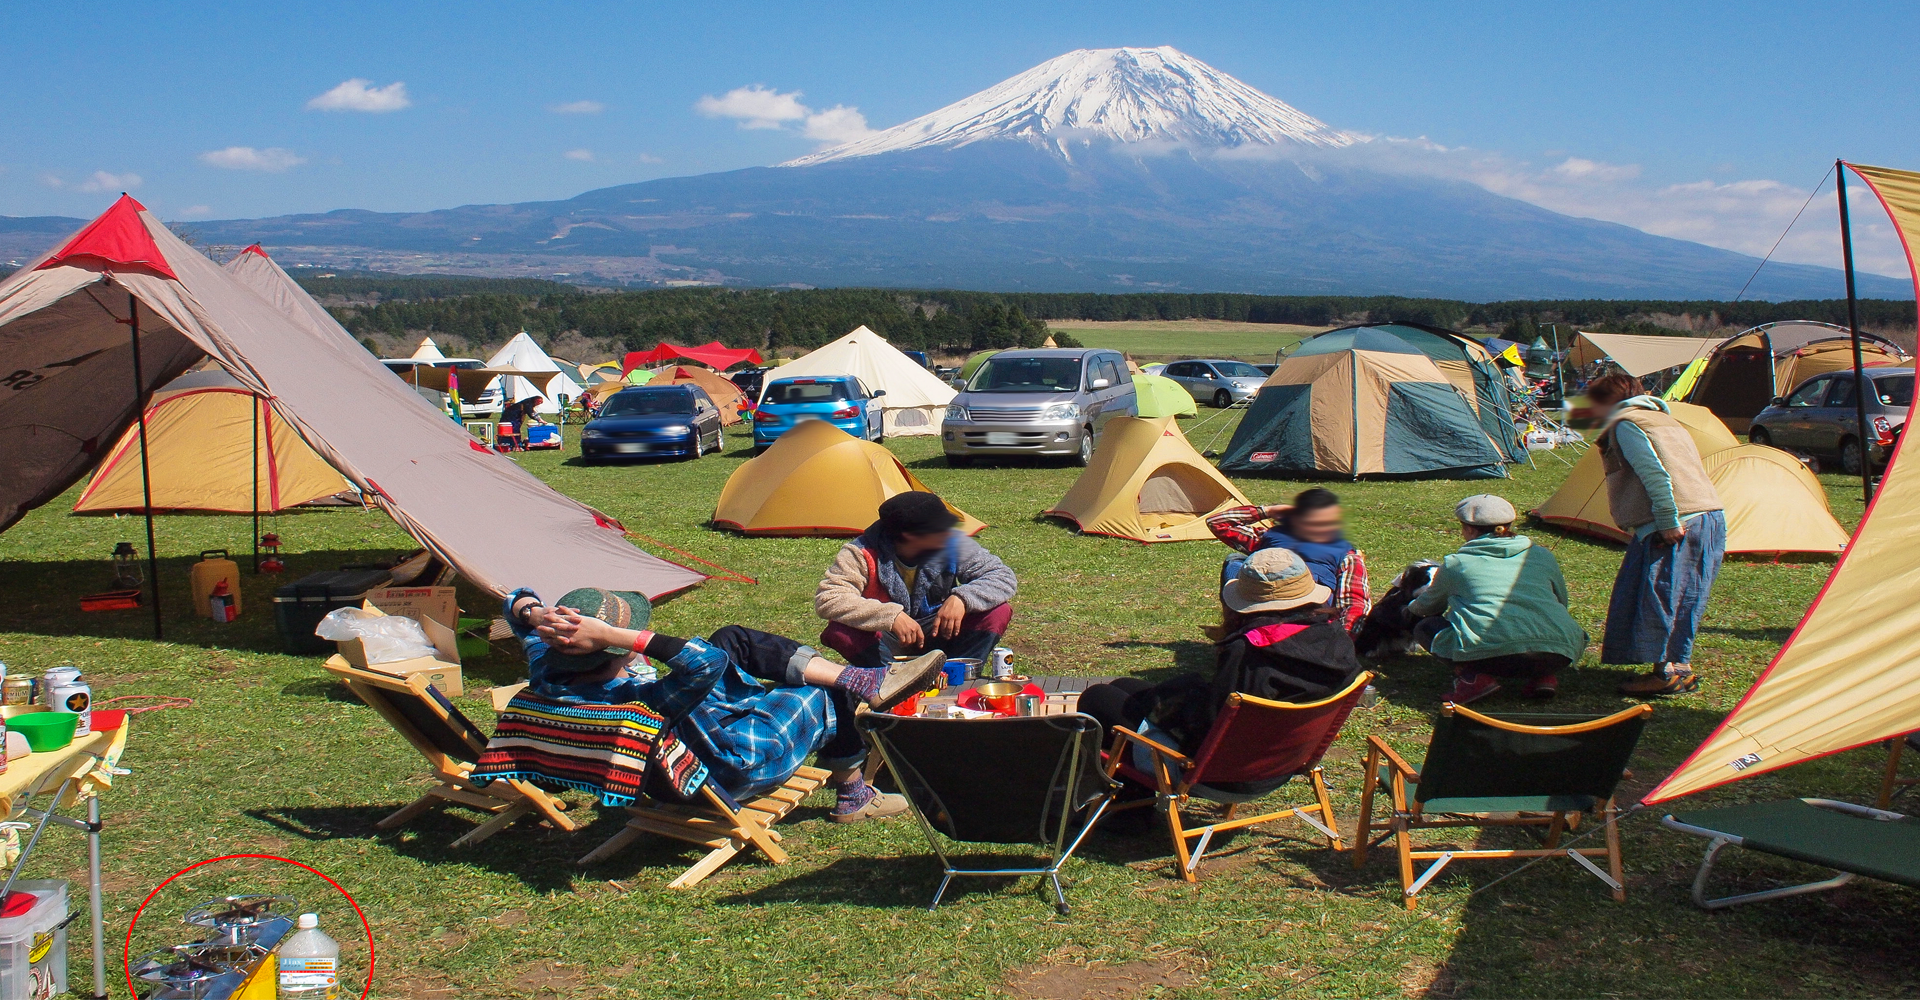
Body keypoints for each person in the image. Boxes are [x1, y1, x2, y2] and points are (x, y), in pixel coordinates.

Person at [505, 586, 946, 823]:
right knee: (825, 692)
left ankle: (862, 678)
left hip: (678, 750)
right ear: (612, 648)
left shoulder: (547, 668)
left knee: (731, 637)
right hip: (726, 769)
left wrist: (533, 613)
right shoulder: (641, 700)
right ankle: (853, 795)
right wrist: (616, 634)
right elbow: (706, 665)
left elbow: (515, 604)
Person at [1077, 548, 1363, 793]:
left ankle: (1131, 806)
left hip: (1221, 774)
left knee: (1097, 698)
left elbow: (1211, 724)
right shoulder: (1336, 638)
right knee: (1127, 687)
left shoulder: (1250, 650)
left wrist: (1176, 701)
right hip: (1282, 762)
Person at [1586, 373, 1727, 696]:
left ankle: (1664, 673)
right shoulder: (1664, 419)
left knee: (1660, 596)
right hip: (1708, 514)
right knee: (1687, 597)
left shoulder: (1627, 423)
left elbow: (1655, 473)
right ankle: (1680, 667)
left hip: (1676, 520)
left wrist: (1666, 520)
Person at [1405, 495, 1589, 704]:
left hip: (1495, 656)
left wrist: (1410, 605)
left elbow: (1427, 606)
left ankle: (1473, 678)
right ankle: (1543, 677)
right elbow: (1561, 601)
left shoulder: (1457, 563)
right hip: (1560, 653)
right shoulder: (1542, 555)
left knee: (1426, 627)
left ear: (1471, 530)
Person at [816, 491, 1017, 667]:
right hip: (888, 638)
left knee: (998, 611)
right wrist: (890, 616)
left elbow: (1002, 576)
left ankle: (958, 675)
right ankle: (890, 681)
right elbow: (829, 597)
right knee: (840, 631)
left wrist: (962, 598)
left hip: (939, 630)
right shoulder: (861, 553)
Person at [1206, 487, 1370, 630]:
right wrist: (1343, 641)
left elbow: (1217, 522)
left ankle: (1233, 624)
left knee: (1234, 561)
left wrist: (1267, 511)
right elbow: (1354, 602)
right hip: (1309, 614)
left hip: (1259, 603)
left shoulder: (1267, 537)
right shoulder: (1346, 553)